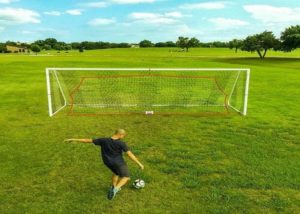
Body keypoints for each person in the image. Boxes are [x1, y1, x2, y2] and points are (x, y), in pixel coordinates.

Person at [64, 129, 144, 200]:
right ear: (120, 135)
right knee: (126, 177)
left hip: (107, 162)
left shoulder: (104, 140)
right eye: (123, 136)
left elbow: (87, 140)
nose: (123, 137)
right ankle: (115, 189)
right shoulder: (121, 143)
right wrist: (139, 163)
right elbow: (130, 155)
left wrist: (73, 139)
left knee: (116, 173)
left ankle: (113, 186)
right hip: (119, 163)